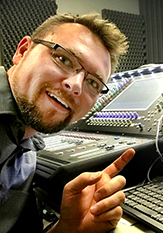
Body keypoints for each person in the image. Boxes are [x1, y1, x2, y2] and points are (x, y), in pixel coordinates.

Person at [0, 12, 135, 232]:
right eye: (63, 59)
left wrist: (68, 227)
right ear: (23, 51)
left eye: (93, 82)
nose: (76, 85)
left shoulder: (28, 148)